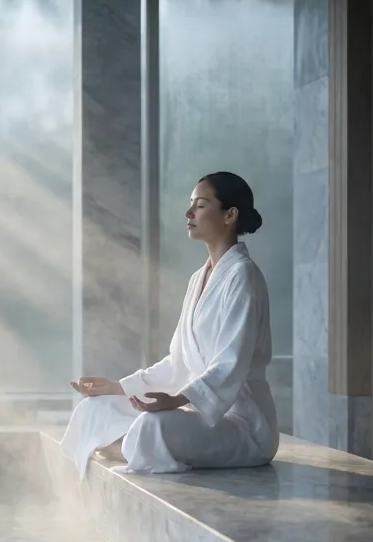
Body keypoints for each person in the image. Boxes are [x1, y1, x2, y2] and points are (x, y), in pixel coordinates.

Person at [60, 171, 278, 479]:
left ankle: (122, 445)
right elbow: (177, 363)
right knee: (95, 408)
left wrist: (176, 401)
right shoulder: (197, 280)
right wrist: (115, 387)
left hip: (243, 425)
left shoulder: (243, 277)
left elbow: (230, 365)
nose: (189, 213)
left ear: (230, 214)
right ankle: (125, 446)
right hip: (199, 415)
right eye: (191, 204)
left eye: (200, 205)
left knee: (154, 425)